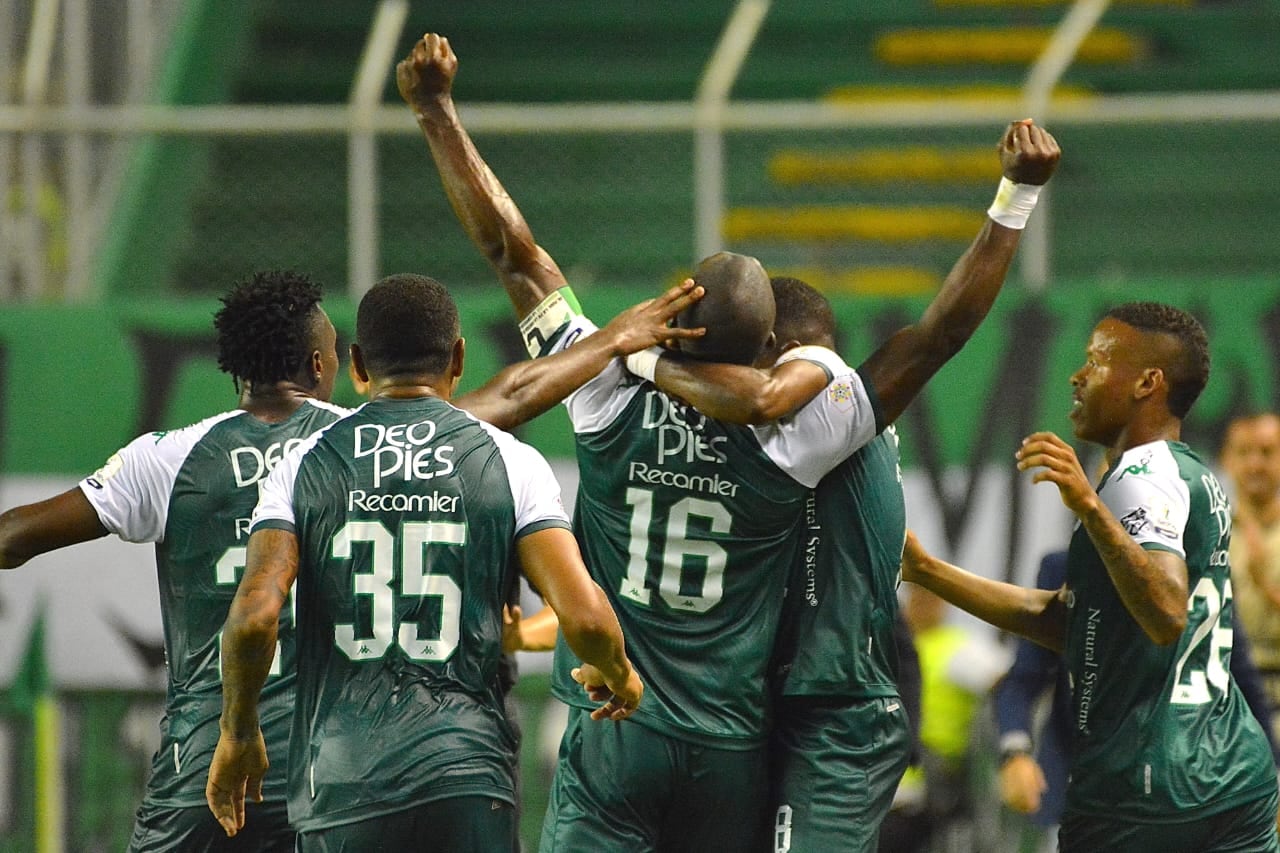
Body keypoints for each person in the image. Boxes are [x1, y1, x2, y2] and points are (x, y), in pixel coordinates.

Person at [397, 31, 1059, 852]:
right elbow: (939, 334)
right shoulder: (799, 433)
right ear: (769, 348)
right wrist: (1013, 202)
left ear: (678, 323)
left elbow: (512, 250)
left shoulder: (605, 389)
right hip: (729, 743)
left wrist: (436, 112)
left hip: (616, 725)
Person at [206, 273, 644, 851]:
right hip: (467, 776)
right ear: (458, 359)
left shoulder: (302, 463)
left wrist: (238, 732)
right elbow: (585, 617)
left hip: (341, 783)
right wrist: (619, 674)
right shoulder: (510, 461)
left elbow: (253, 619)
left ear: (358, 365)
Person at [901, 301, 1280, 852]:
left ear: (1147, 383)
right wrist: (930, 572)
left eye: (1098, 360)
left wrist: (1089, 506)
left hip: (1147, 785)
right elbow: (1063, 621)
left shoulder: (1140, 476)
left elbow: (1168, 612)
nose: (1078, 375)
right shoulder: (1190, 474)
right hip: (1228, 772)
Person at [0, 270, 346, 852]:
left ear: (238, 369)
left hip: (205, 760)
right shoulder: (358, 446)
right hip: (332, 768)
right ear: (317, 365)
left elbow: (12, 537)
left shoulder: (167, 458)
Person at [1221, 412, 1280, 727]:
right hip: (1230, 711)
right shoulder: (1211, 536)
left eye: (1267, 452)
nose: (1255, 464)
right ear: (1226, 460)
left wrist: (1266, 588)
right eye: (1244, 453)